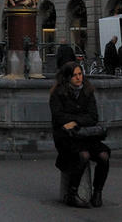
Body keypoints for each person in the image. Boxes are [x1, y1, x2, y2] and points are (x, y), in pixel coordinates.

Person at [49, 62, 110, 208]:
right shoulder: (58, 93)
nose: (78, 78)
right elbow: (58, 117)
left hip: (85, 135)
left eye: (80, 74)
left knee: (104, 156)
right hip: (66, 137)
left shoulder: (88, 91)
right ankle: (72, 193)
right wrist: (79, 119)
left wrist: (75, 121)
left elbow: (93, 117)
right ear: (67, 77)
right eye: (74, 75)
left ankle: (98, 192)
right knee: (83, 156)